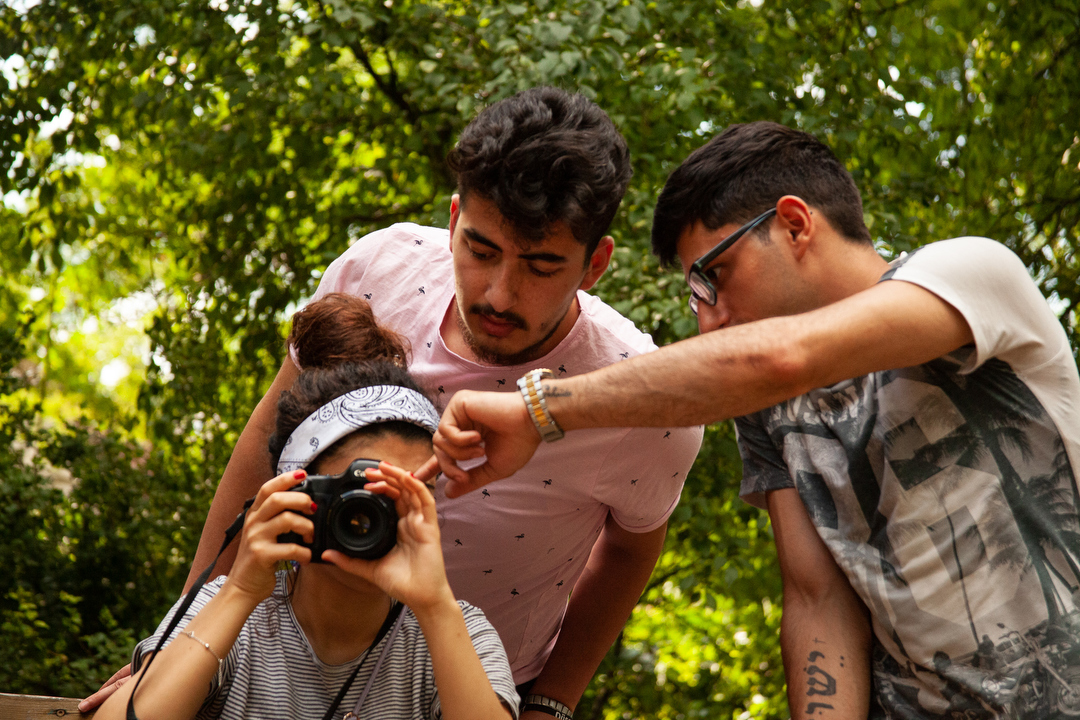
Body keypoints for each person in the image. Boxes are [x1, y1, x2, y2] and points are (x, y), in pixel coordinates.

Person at [82, 86, 704, 717]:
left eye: (541, 266)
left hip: (474, 688)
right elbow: (270, 431)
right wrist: (184, 634)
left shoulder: (639, 399)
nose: (499, 294)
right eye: (480, 249)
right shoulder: (379, 272)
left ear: (594, 264)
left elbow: (630, 550)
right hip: (282, 658)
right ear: (454, 220)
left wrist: (552, 701)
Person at [430, 121, 1080, 718]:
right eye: (696, 295)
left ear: (794, 225)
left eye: (716, 275)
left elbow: (781, 359)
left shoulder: (968, 273)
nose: (709, 320)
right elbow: (818, 600)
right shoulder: (769, 410)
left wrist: (539, 410)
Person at [95, 296, 519, 720]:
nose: (378, 517)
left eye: (407, 495)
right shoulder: (228, 609)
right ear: (294, 492)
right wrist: (239, 592)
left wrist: (435, 607)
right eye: (359, 494)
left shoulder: (457, 631)